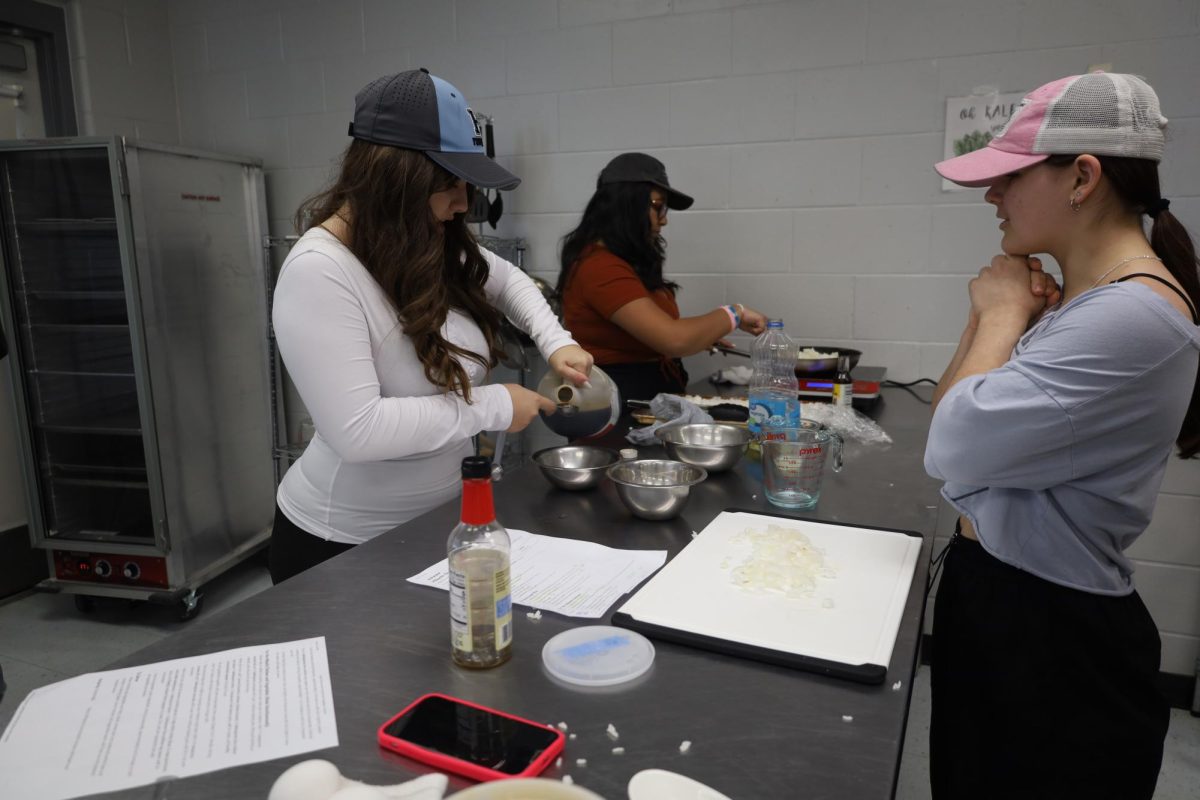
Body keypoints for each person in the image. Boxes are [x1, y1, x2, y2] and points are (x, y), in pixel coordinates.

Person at [925, 72, 1200, 799]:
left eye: (1010, 176)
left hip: (1051, 634)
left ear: (1082, 177)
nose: (993, 197)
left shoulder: (1129, 317)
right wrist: (991, 312)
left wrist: (1002, 315)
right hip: (1009, 601)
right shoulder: (1089, 306)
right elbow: (953, 420)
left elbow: (951, 447)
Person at [269, 69, 593, 584]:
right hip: (341, 549)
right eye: (450, 182)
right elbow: (359, 432)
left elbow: (506, 280)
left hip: (438, 528)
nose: (463, 202)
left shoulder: (414, 242)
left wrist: (558, 343)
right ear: (395, 177)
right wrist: (495, 404)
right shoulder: (319, 272)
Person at [556, 153, 768, 407]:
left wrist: (702, 335)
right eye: (658, 207)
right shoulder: (599, 267)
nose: (664, 219)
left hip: (645, 398)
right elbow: (674, 339)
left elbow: (655, 331)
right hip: (617, 405)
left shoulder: (622, 262)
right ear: (627, 205)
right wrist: (735, 314)